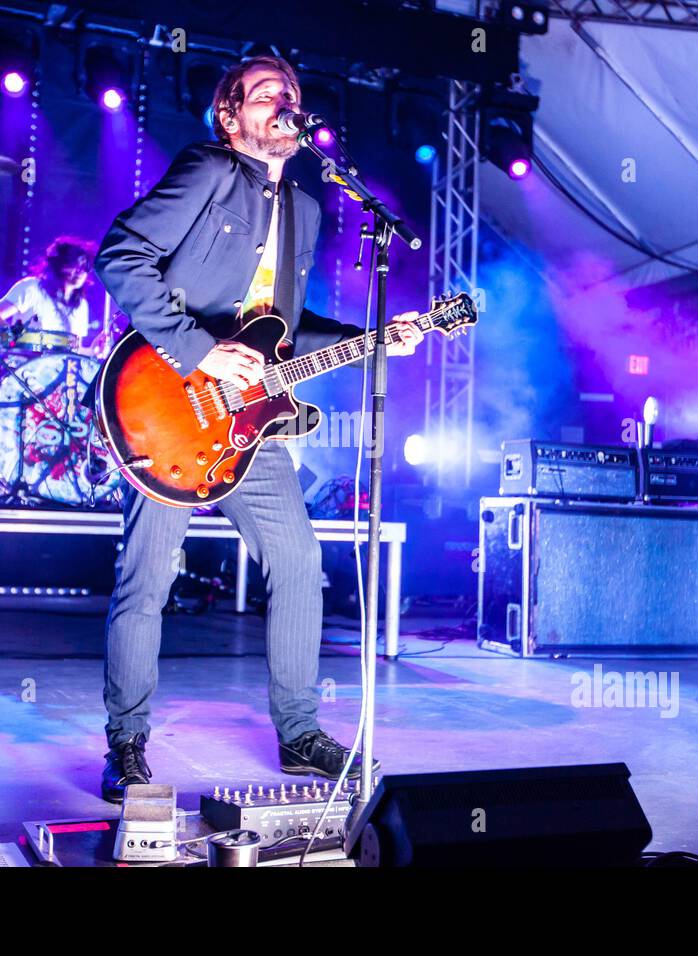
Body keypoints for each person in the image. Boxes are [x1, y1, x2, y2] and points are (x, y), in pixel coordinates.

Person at [93, 55, 422, 800]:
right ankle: (129, 742)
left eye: (295, 95)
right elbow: (121, 256)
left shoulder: (307, 206)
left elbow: (289, 331)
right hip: (173, 401)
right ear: (231, 113)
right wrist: (201, 351)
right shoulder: (209, 169)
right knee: (148, 579)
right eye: (269, 93)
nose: (286, 102)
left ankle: (301, 734)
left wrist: (375, 335)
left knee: (300, 564)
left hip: (251, 424)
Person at [0, 236, 112, 358]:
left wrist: (92, 351)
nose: (80, 271)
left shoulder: (81, 304)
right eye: (75, 264)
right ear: (60, 263)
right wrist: (15, 341)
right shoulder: (32, 288)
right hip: (24, 369)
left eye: (85, 266)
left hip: (57, 374)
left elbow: (73, 351)